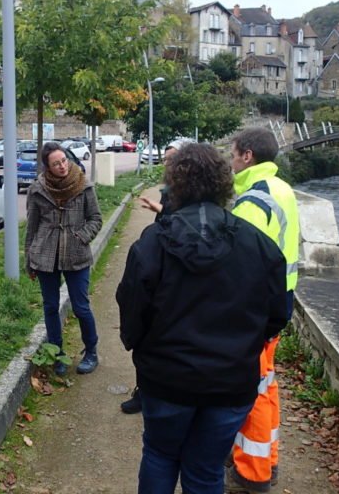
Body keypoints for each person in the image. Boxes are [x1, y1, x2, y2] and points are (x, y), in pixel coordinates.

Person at [116, 143, 288, 494]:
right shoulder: (257, 243)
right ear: (224, 182)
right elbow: (277, 314)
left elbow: (132, 309)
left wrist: (142, 349)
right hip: (231, 381)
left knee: (161, 455)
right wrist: (242, 346)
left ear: (176, 183)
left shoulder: (154, 242)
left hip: (167, 378)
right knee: (205, 468)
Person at [226, 127, 300, 493]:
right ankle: (268, 456)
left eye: (233, 153)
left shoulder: (254, 200)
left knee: (251, 386)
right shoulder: (282, 189)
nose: (231, 159)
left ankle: (252, 472)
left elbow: (242, 264)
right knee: (266, 381)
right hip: (280, 300)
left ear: (248, 156)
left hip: (257, 306)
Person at [25, 142, 102, 375]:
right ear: (47, 167)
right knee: (50, 307)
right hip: (45, 255)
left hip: (76, 254)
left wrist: (81, 237)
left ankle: (91, 352)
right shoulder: (37, 189)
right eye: (56, 163)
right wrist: (28, 259)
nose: (62, 166)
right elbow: (32, 226)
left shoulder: (84, 185)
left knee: (81, 307)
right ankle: (57, 354)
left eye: (64, 161)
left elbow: (96, 218)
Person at [122, 140, 184, 414]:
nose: (166, 163)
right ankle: (145, 391)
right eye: (166, 159)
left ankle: (157, 393)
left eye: (172, 159)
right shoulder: (170, 191)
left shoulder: (187, 192)